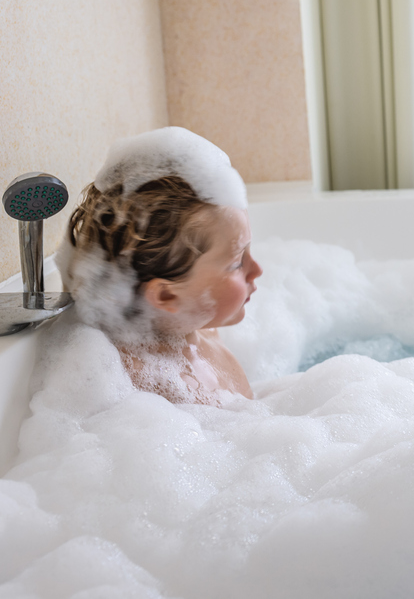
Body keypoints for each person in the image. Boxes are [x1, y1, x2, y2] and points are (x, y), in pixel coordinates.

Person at [57, 127, 261, 405]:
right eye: (237, 262)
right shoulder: (161, 389)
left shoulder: (201, 327)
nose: (257, 269)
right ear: (166, 295)